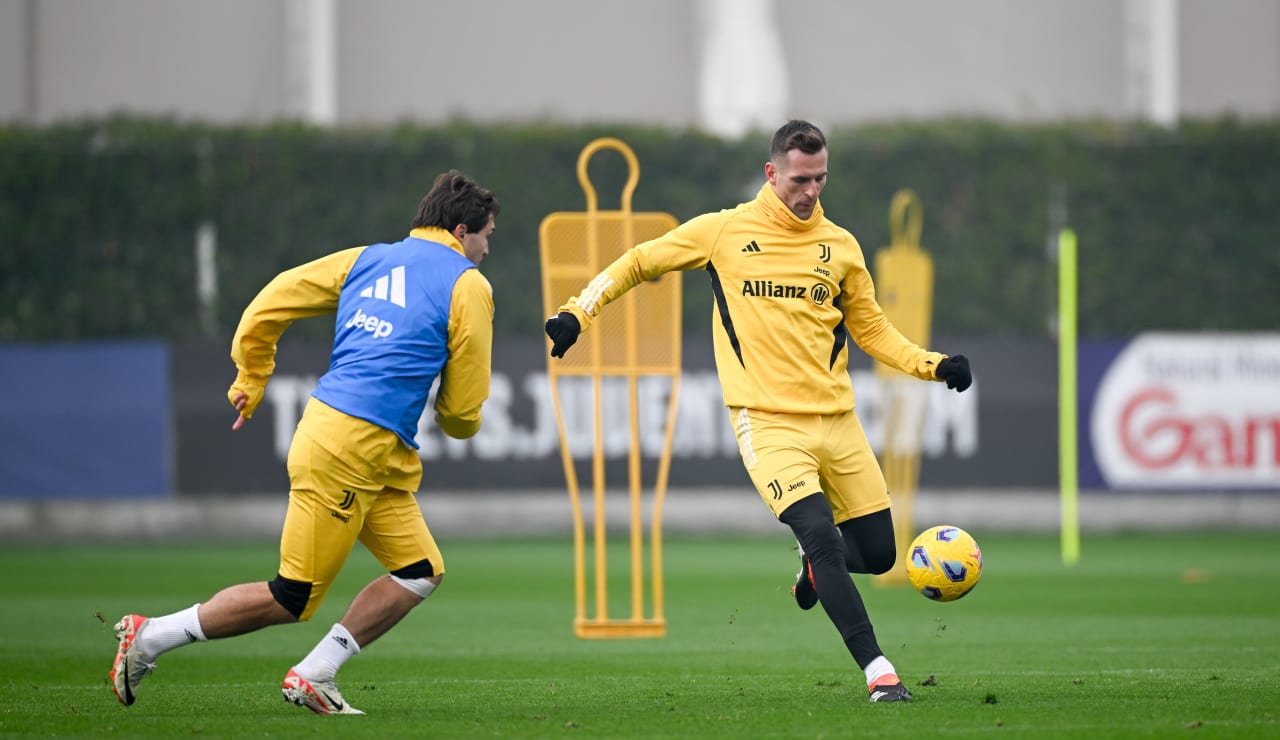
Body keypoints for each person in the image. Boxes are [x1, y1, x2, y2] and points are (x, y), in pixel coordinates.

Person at [544, 120, 972, 703]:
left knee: (877, 553)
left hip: (838, 423)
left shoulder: (840, 247)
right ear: (772, 173)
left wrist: (934, 364)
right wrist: (577, 313)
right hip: (767, 423)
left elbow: (871, 329)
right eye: (800, 179)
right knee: (820, 534)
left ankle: (813, 571)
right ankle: (879, 671)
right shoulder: (724, 232)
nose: (812, 191)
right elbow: (642, 260)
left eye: (821, 178)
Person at [109, 170, 500, 715]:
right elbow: (460, 411)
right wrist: (464, 425)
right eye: (487, 236)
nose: (486, 249)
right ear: (462, 231)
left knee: (418, 571)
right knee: (292, 597)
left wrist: (251, 377)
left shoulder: (365, 258)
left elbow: (271, 301)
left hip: (357, 444)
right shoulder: (469, 283)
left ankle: (316, 673)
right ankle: (149, 636)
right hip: (349, 451)